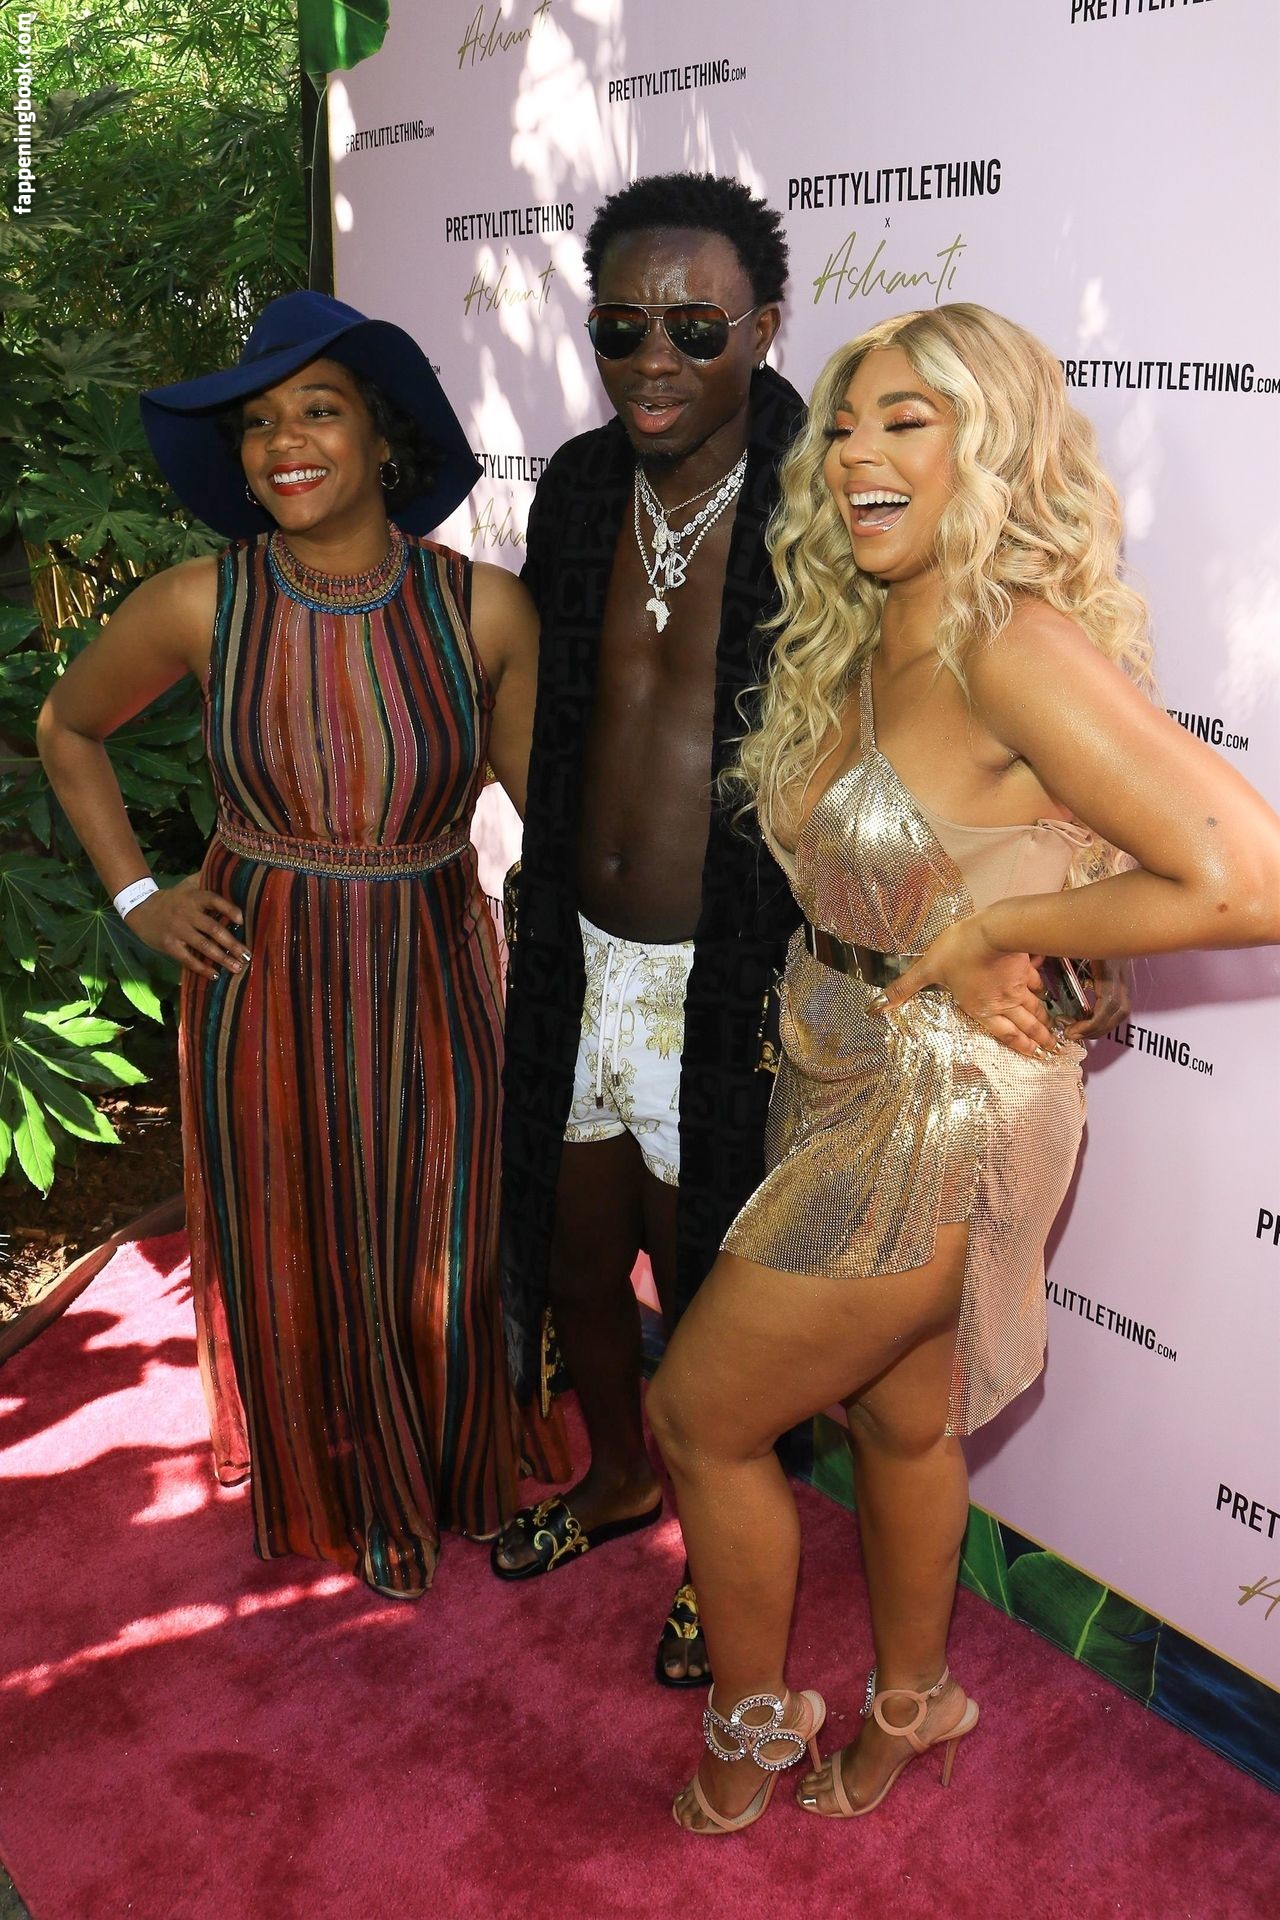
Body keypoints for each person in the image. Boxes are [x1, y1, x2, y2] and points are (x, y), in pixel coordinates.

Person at [645, 302, 1280, 1830]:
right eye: (847, 423)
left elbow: (1248, 876)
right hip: (840, 1058)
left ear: (990, 445)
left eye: (908, 421)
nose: (857, 452)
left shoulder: (1013, 644)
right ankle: (915, 1701)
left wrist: (1005, 926)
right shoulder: (868, 626)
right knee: (897, 1421)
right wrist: (979, 923)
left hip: (945, 1101)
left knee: (703, 1419)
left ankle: (747, 1728)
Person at [38, 291, 564, 1598]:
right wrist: (137, 898)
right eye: (259, 422)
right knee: (296, 1234)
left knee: (439, 1224)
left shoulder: (486, 611)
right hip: (258, 972)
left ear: (383, 438)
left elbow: (555, 816)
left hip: (434, 966)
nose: (284, 443)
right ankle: (349, 1486)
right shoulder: (198, 603)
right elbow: (67, 727)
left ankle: (445, 1462)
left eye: (317, 411)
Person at [488, 173, 802, 1682]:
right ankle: (619, 1480)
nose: (653, 358)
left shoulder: (821, 498)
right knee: (572, 1254)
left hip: (723, 973)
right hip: (575, 946)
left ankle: (716, 1550)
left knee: (710, 1289)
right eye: (621, 327)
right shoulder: (576, 485)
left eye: (693, 326)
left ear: (765, 327)